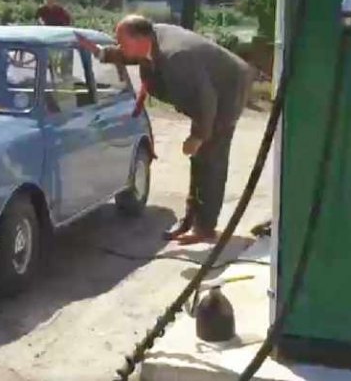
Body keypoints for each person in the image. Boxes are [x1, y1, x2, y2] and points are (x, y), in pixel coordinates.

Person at [75, 15, 255, 245]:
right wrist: (102, 52)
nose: (120, 46)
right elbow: (131, 54)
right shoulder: (151, 39)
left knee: (211, 159)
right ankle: (192, 221)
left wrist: (198, 136)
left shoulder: (176, 57)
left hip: (227, 92)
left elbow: (206, 100)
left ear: (141, 38)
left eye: (122, 42)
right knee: (197, 158)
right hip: (207, 93)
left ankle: (205, 228)